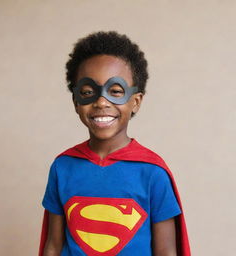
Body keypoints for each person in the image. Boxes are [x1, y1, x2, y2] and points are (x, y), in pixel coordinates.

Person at [39, 31, 191, 256]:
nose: (101, 102)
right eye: (88, 92)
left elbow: (166, 251)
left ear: (135, 102)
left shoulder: (152, 172)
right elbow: (53, 244)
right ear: (76, 101)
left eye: (116, 91)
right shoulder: (63, 167)